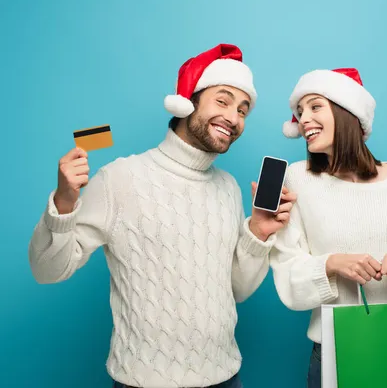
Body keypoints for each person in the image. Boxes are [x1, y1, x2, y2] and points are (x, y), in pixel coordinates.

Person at [28, 43, 295, 388]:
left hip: (226, 377)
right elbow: (47, 270)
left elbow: (235, 291)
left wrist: (258, 231)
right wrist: (64, 203)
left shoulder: (228, 188)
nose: (234, 118)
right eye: (223, 100)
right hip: (143, 382)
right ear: (189, 102)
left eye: (243, 110)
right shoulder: (120, 179)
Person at [270, 67, 387, 387]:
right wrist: (331, 263)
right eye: (299, 112)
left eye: (315, 107)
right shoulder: (296, 178)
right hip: (333, 352)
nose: (303, 120)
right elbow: (286, 274)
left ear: (349, 112)